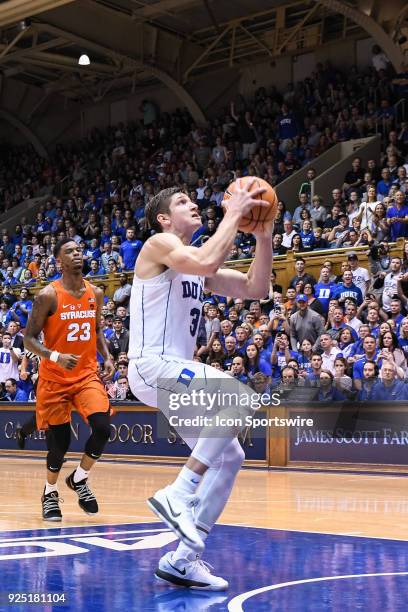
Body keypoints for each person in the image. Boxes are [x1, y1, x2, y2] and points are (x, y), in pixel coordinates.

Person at [127, 183, 273, 590]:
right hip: (152, 365)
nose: (193, 205)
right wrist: (235, 212)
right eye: (181, 202)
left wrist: (263, 238)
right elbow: (208, 260)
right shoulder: (159, 245)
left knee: (231, 456)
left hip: (172, 371)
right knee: (238, 398)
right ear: (163, 219)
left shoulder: (194, 268)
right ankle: (180, 490)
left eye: (192, 200)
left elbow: (254, 289)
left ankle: (184, 559)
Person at [24, 238, 114, 522]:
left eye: (79, 250)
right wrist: (53, 357)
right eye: (70, 252)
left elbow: (96, 331)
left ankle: (79, 478)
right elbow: (27, 339)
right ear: (60, 261)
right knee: (59, 445)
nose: (77, 254)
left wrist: (108, 357)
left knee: (102, 428)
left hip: (86, 374)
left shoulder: (96, 292)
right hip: (54, 378)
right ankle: (50, 492)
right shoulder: (47, 295)